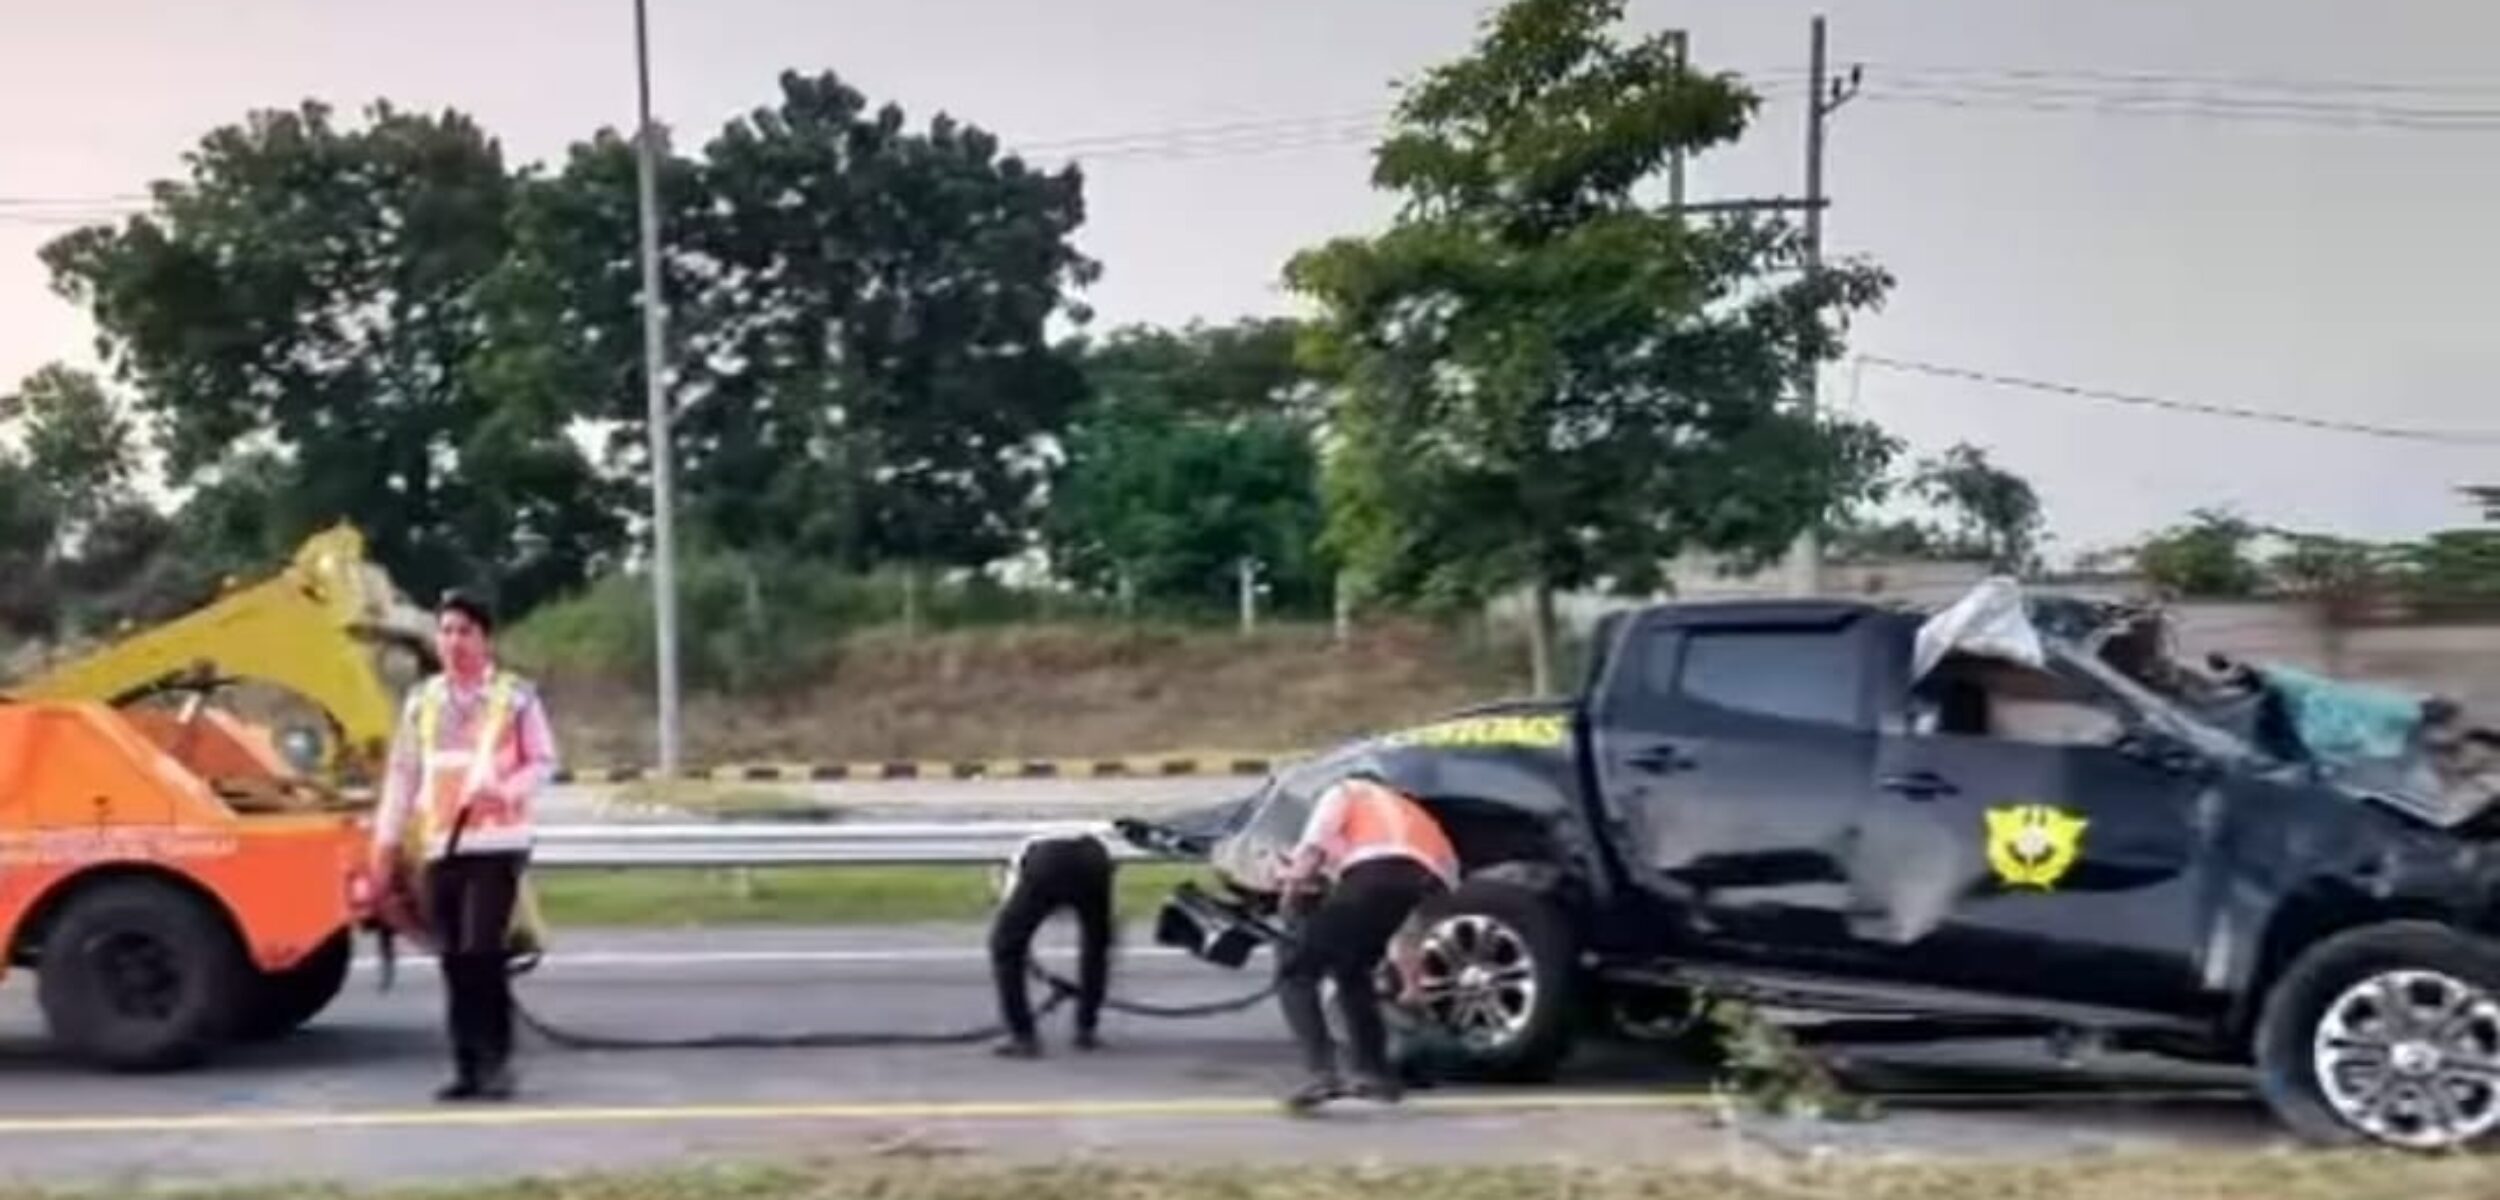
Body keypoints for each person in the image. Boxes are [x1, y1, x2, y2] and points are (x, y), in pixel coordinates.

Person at [369, 589, 561, 1102]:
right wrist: (385, 843)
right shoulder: (423, 701)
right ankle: (466, 1065)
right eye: (446, 631)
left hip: (496, 842)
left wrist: (507, 790)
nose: (454, 641)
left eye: (464, 631)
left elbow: (543, 761)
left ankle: (496, 1062)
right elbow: (404, 775)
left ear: (485, 639)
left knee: (482, 951)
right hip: (441, 846)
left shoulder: (515, 696)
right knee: (453, 956)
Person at [1270, 773, 1458, 1113]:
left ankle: (1321, 1073)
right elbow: (1422, 913)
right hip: (1418, 883)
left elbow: (1315, 843)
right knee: (1353, 971)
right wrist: (1412, 982)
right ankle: (1375, 1074)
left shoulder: (1346, 790)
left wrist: (1291, 889)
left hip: (1369, 877)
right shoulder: (1412, 812)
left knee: (1295, 970)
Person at [987, 831, 1115, 1057]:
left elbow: (1011, 927)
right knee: (1096, 943)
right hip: (1095, 856)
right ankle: (1086, 1028)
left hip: (1049, 861)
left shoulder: (1017, 864)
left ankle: (1023, 1036)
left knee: (1004, 946)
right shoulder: (1032, 843)